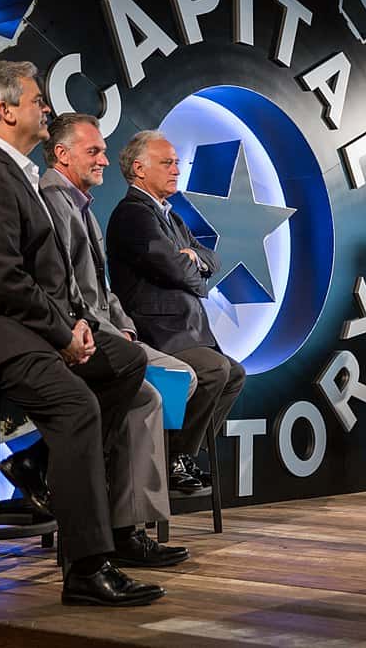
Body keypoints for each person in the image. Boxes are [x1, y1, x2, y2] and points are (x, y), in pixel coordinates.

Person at [0, 60, 165, 604]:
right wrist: (61, 335)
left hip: (19, 324)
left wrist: (74, 327)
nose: (46, 108)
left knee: (124, 362)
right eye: (36, 100)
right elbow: (2, 279)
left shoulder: (17, 173)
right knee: (77, 407)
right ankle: (86, 568)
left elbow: (39, 278)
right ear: (6, 111)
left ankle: (45, 472)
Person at [38, 112, 201, 567]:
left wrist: (122, 322)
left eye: (104, 151)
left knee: (179, 381)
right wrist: (100, 330)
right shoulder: (54, 199)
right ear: (62, 154)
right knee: (151, 394)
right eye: (95, 151)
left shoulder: (81, 203)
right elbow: (63, 288)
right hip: (77, 339)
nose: (107, 160)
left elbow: (103, 287)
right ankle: (122, 522)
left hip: (111, 330)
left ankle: (127, 508)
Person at [106, 131, 245, 486]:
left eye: (176, 163)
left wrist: (193, 259)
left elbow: (211, 258)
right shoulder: (133, 215)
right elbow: (175, 268)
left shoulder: (171, 216)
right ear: (139, 169)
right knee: (215, 369)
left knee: (234, 373)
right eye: (166, 163)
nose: (175, 170)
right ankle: (168, 458)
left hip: (186, 333)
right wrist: (192, 267)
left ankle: (177, 454)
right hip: (159, 334)